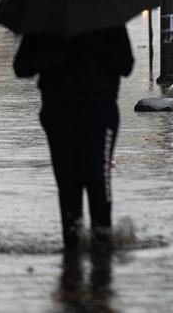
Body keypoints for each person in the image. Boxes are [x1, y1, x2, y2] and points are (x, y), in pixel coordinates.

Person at [14, 27, 133, 251]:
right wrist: (48, 58)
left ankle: (102, 249)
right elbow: (21, 66)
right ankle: (72, 247)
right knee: (68, 186)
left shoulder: (107, 21)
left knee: (98, 181)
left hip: (99, 112)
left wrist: (95, 46)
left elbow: (126, 65)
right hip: (59, 113)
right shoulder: (45, 23)